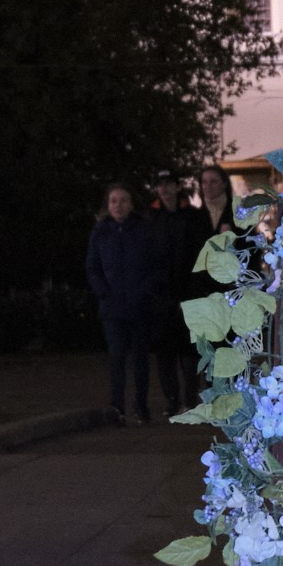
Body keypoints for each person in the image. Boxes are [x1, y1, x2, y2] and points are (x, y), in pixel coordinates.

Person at [85, 181, 159, 423]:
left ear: (131, 204)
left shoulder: (143, 230)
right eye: (113, 201)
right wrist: (103, 292)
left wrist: (144, 292)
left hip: (139, 306)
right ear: (108, 205)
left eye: (123, 200)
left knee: (140, 359)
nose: (118, 205)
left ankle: (141, 406)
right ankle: (117, 407)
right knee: (116, 358)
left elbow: (153, 265)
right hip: (112, 307)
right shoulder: (100, 232)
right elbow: (92, 267)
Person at [146, 172, 208, 418]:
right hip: (161, 296)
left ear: (176, 187)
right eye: (160, 185)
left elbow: (198, 254)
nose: (164, 189)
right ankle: (171, 401)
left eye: (168, 185)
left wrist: (193, 290)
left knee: (190, 350)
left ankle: (190, 398)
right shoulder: (151, 217)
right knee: (165, 352)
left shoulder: (192, 217)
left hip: (189, 293)